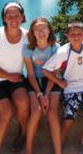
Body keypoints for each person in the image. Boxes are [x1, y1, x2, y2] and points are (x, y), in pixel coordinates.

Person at [42, 22, 83, 154]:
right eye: (72, 34)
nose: (76, 37)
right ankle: (61, 139)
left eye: (79, 34)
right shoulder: (63, 51)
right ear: (67, 36)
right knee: (68, 118)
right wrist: (59, 81)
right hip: (70, 88)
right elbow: (46, 69)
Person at [0, 2, 30, 154]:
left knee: (23, 103)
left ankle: (23, 133)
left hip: (14, 79)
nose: (13, 19)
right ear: (4, 18)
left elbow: (44, 47)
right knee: (7, 112)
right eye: (9, 16)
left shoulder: (27, 36)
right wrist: (8, 76)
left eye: (16, 15)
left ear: (22, 17)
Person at [23, 17, 62, 154]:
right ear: (32, 33)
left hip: (51, 80)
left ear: (49, 30)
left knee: (52, 113)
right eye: (37, 29)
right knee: (36, 111)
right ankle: (28, 150)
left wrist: (46, 94)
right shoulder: (27, 48)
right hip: (34, 81)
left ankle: (58, 152)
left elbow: (55, 72)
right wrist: (40, 94)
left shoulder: (55, 47)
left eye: (44, 28)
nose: (41, 31)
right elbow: (31, 75)